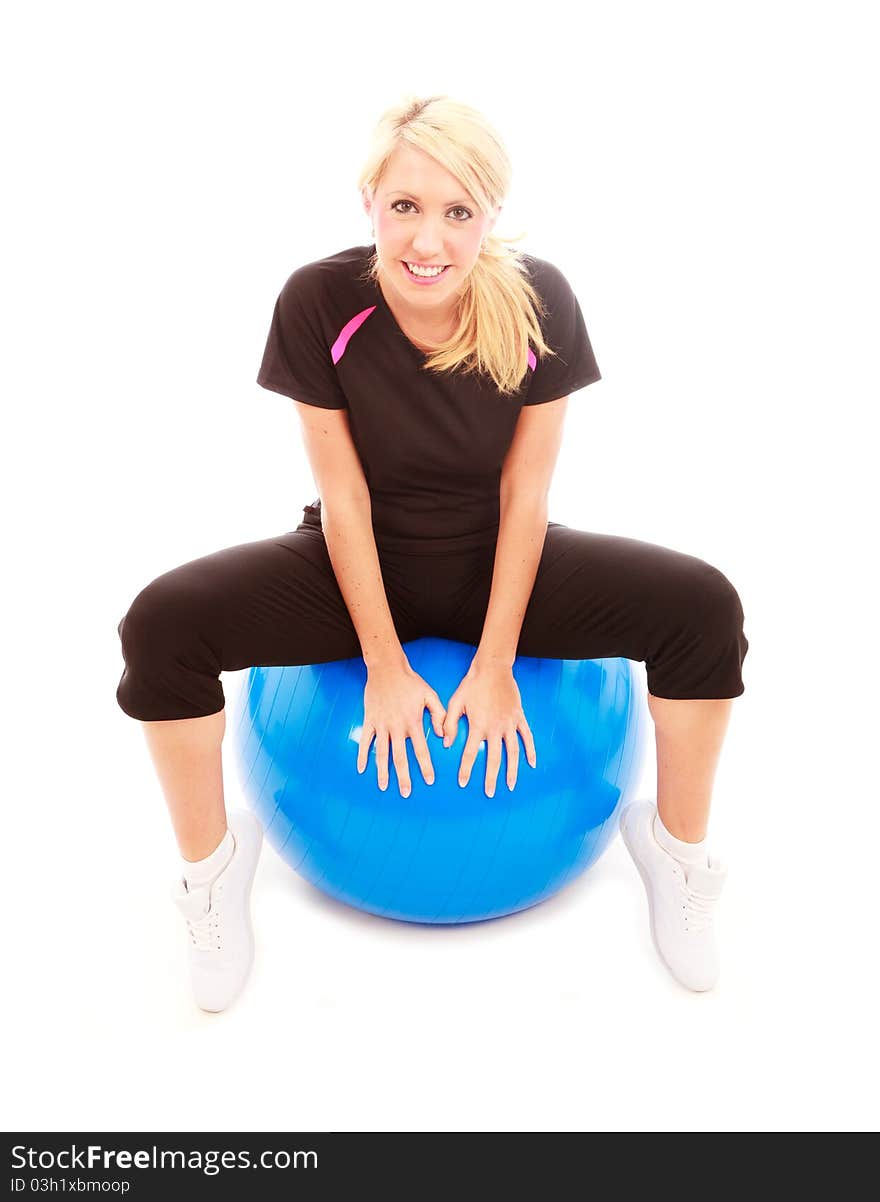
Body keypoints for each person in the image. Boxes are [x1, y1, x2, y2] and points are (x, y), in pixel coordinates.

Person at [115, 94, 749, 1011]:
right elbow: (343, 499)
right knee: (162, 626)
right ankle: (212, 873)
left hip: (499, 556)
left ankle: (678, 855)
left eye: (459, 211)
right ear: (369, 200)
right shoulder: (318, 300)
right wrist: (380, 660)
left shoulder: (539, 301)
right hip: (356, 557)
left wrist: (496, 663)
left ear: (490, 214)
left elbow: (526, 494)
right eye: (406, 205)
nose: (429, 240)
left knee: (702, 609)